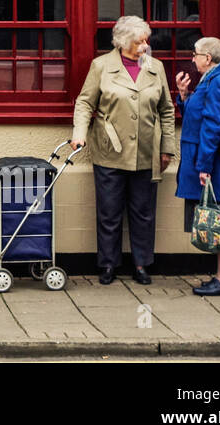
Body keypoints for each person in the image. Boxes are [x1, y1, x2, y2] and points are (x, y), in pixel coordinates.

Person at [72, 15, 176, 285]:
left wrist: (167, 148)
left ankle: (142, 264)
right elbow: (85, 103)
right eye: (140, 40)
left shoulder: (156, 67)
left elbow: (166, 110)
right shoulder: (101, 66)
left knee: (143, 212)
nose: (145, 45)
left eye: (146, 40)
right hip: (110, 150)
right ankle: (108, 264)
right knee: (109, 211)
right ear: (122, 42)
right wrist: (79, 135)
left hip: (146, 153)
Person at [174, 36, 220, 295]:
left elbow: (212, 126)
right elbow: (199, 114)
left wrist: (204, 165)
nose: (192, 58)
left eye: (194, 54)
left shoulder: (216, 83)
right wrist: (184, 96)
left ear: (207, 58)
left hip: (216, 162)